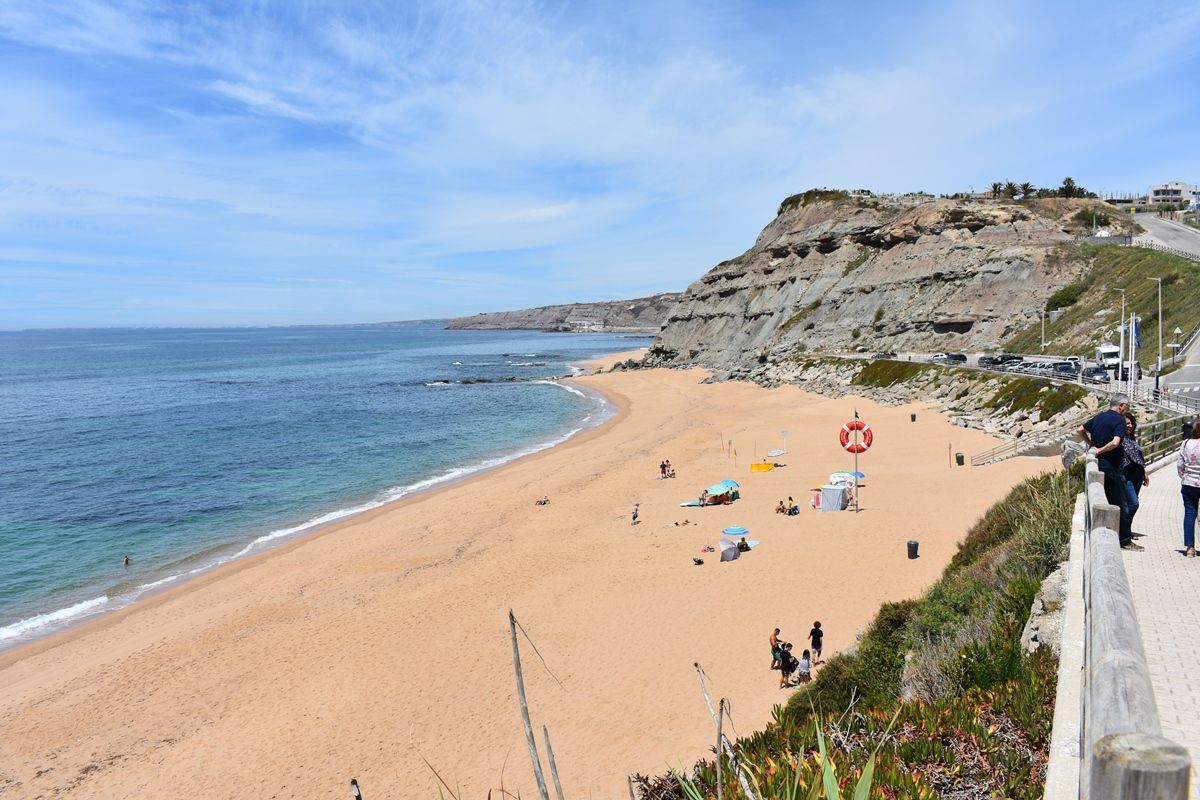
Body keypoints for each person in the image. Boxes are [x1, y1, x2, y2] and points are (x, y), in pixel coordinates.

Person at [1078, 394, 1141, 550]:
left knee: (1102, 498)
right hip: (1112, 466)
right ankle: (1124, 540)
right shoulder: (1119, 420)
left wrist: (1092, 445)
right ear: (1121, 406)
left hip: (1098, 465)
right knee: (1120, 503)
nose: (1128, 409)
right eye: (1127, 406)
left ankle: (1105, 533)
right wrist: (1099, 450)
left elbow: (1080, 429)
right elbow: (1115, 442)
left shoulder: (1099, 416)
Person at [1120, 414, 1148, 536]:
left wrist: (1145, 473)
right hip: (1127, 474)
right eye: (1127, 423)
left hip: (1138, 474)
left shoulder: (1132, 437)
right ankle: (1122, 530)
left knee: (1130, 503)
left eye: (1131, 423)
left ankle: (1127, 530)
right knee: (1133, 503)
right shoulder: (1119, 437)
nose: (1129, 425)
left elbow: (1139, 457)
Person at [1180, 419, 1200, 558]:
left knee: (1190, 514)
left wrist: (1184, 476)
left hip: (1189, 483)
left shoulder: (1186, 443)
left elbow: (1180, 464)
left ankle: (1190, 548)